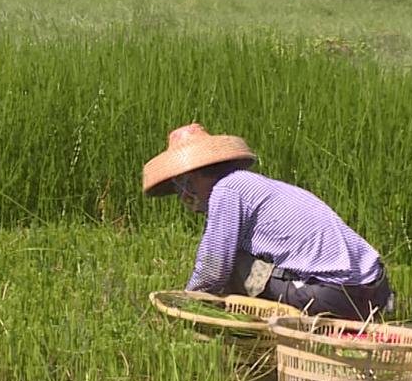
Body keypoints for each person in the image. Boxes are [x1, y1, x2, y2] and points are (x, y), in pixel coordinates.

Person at [141, 123, 393, 320]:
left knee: (238, 263)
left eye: (185, 184)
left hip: (337, 294)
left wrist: (186, 304)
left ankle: (243, 340)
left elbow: (212, 270)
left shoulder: (227, 190)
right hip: (375, 289)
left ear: (197, 175)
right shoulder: (252, 185)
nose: (185, 194)